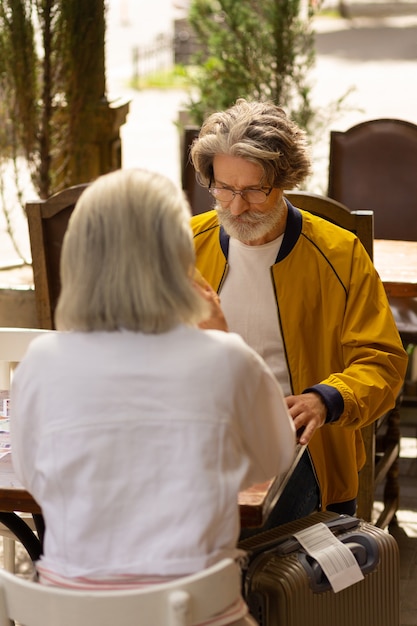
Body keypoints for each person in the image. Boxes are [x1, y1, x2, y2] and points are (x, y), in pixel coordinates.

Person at [10, 168, 295, 625]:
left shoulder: (41, 362)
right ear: (177, 255)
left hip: (65, 615)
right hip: (197, 612)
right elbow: (275, 460)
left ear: (79, 258)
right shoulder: (224, 359)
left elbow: (33, 478)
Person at [190, 98, 408, 530]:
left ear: (284, 180)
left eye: (254, 190)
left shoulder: (338, 253)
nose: (235, 207)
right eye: (224, 189)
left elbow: (382, 361)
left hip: (305, 449)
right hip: (199, 439)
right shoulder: (186, 244)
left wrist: (324, 399)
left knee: (251, 536)